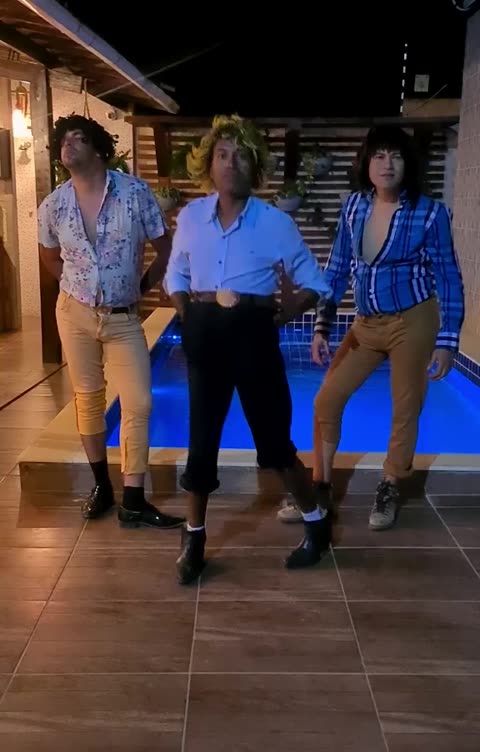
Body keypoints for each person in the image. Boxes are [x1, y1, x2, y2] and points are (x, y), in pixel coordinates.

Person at [164, 114, 333, 584]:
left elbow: (315, 281)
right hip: (203, 332)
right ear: (208, 164)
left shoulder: (275, 222)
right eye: (222, 154)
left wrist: (283, 313)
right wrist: (184, 309)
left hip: (254, 335)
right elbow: (176, 271)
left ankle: (316, 525)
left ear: (256, 167)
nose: (230, 163)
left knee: (275, 444)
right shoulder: (191, 217)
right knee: (201, 442)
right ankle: (194, 539)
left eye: (241, 156)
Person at [278, 124, 465, 530]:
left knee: (405, 407)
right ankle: (319, 487)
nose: (387, 164)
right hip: (365, 324)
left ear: (407, 164)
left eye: (395, 156)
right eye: (379, 155)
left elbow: (449, 277)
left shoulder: (430, 213)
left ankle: (391, 485)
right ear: (366, 163)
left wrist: (447, 340)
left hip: (413, 320)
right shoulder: (354, 207)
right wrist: (322, 326)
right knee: (326, 400)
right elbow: (337, 269)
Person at [38, 114, 183, 530]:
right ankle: (102, 485)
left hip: (122, 318)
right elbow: (49, 255)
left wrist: (142, 285)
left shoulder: (135, 193)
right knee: (88, 398)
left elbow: (166, 248)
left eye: (78, 138)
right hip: (74, 313)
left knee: (139, 402)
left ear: (100, 149)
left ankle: (133, 499)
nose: (68, 145)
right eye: (63, 140)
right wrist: (74, 287)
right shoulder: (53, 205)